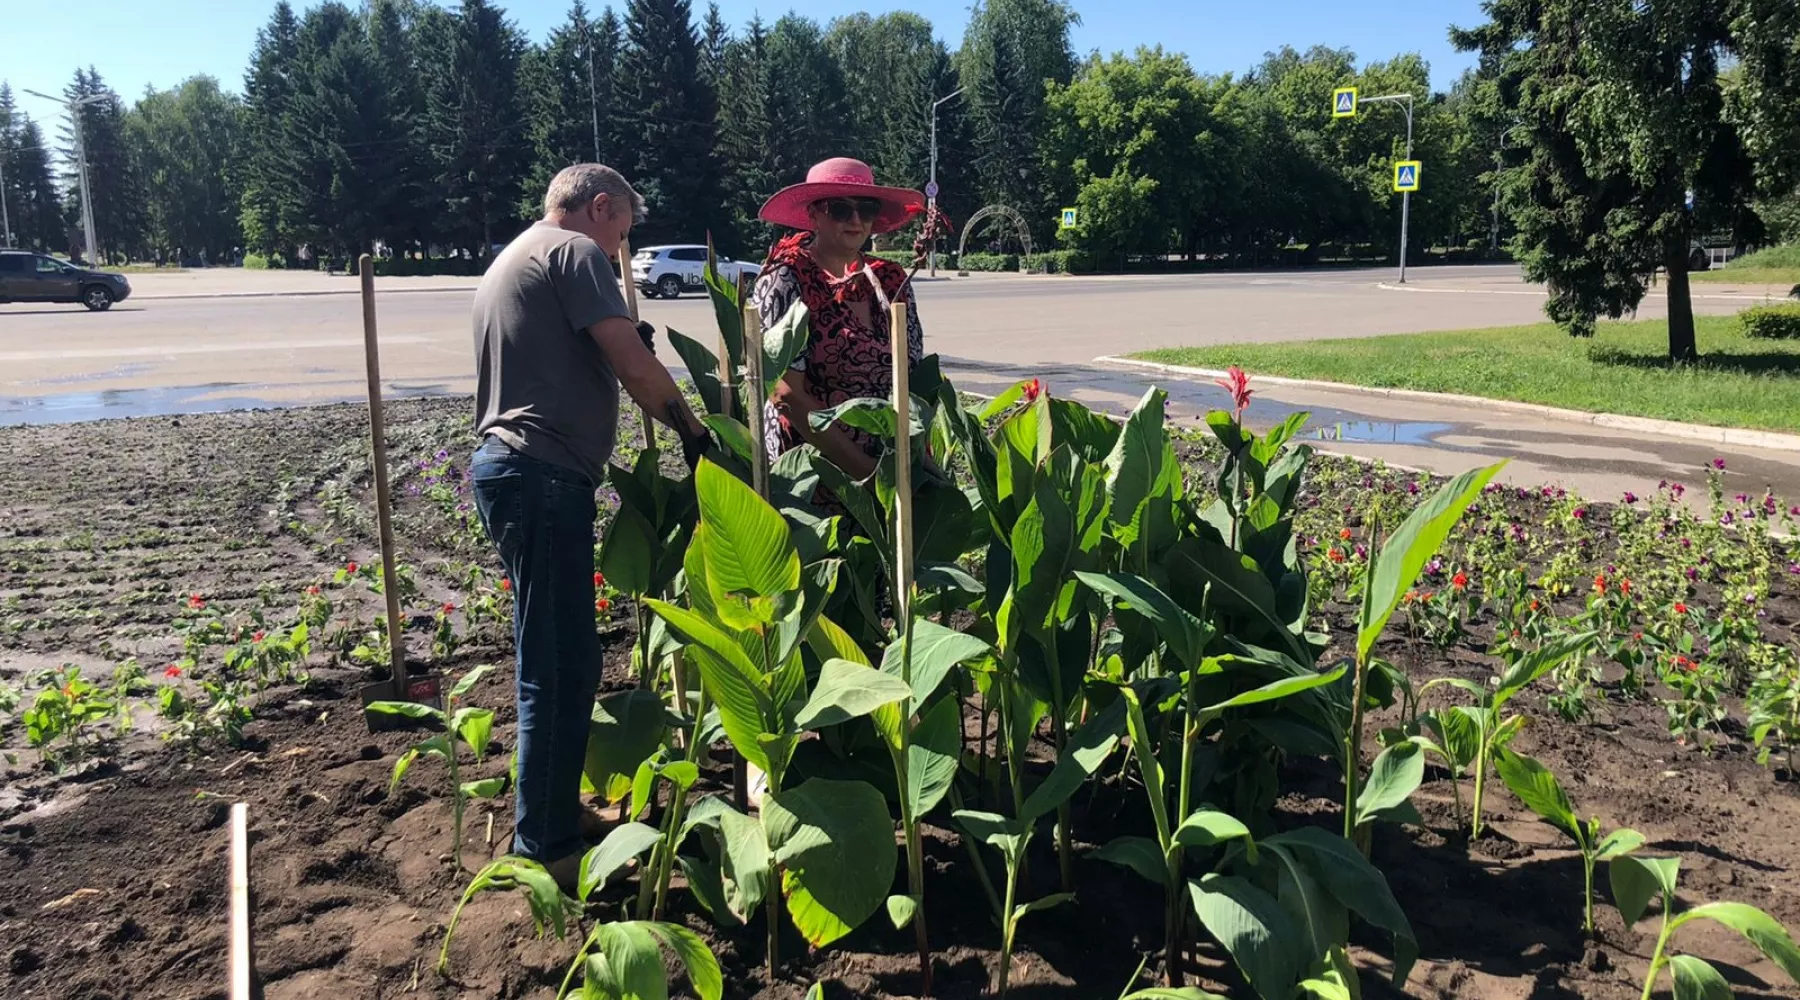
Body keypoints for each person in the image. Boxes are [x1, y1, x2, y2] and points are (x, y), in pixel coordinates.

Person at [468, 163, 708, 886]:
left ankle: (551, 811)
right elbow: (632, 363)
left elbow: (575, 349)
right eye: (621, 237)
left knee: (558, 658)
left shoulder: (517, 255)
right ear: (599, 207)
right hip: (541, 475)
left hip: (516, 470)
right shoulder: (571, 251)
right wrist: (695, 433)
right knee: (560, 665)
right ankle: (543, 848)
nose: (618, 256)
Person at [753, 157, 926, 481]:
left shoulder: (891, 279)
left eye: (867, 208)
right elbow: (785, 394)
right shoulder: (786, 278)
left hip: (892, 465)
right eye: (840, 209)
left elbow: (912, 376)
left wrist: (914, 466)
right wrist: (867, 473)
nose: (856, 220)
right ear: (814, 214)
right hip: (816, 473)